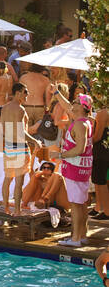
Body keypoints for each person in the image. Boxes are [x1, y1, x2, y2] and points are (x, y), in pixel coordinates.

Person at [57, 94, 95, 247]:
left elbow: (80, 149)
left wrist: (60, 155)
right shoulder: (86, 121)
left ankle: (75, 238)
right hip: (82, 169)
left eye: (76, 102)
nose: (73, 103)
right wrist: (56, 93)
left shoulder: (80, 125)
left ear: (83, 107)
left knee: (75, 204)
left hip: (75, 168)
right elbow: (67, 106)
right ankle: (83, 235)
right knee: (82, 203)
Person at [0, 84, 34, 215]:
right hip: (20, 147)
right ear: (18, 93)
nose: (27, 95)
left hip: (8, 147)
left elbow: (3, 128)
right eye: (25, 92)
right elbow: (21, 132)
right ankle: (17, 211)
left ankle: (6, 208)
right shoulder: (20, 110)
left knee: (7, 179)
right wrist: (35, 141)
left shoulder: (4, 108)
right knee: (19, 182)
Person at [92, 102, 109, 220]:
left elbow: (97, 136)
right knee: (99, 180)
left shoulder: (103, 112)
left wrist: (85, 143)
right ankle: (101, 208)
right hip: (104, 150)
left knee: (100, 181)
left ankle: (107, 211)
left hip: (101, 150)